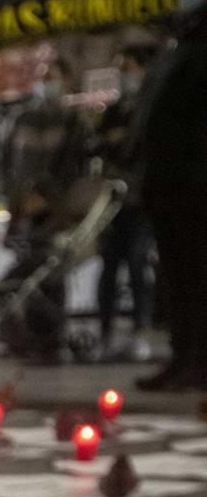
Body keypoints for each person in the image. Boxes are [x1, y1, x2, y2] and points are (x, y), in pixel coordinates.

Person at [135, 0, 207, 390]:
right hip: (172, 179)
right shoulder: (187, 36)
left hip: (195, 178)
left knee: (197, 274)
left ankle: (198, 359)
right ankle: (187, 356)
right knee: (180, 274)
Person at [0, 55, 89, 359]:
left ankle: (51, 340)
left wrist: (48, 197)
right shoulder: (22, 120)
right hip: (22, 210)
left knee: (50, 274)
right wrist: (14, 200)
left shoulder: (74, 123)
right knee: (24, 275)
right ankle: (29, 337)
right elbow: (6, 164)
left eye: (53, 76)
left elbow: (73, 168)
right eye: (43, 76)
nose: (46, 83)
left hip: (53, 213)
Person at [95, 44, 156, 363]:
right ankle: (106, 332)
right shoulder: (115, 110)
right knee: (109, 267)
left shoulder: (151, 105)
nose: (124, 76)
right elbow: (101, 146)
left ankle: (140, 331)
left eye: (129, 69)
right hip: (114, 201)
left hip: (140, 200)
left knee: (136, 264)